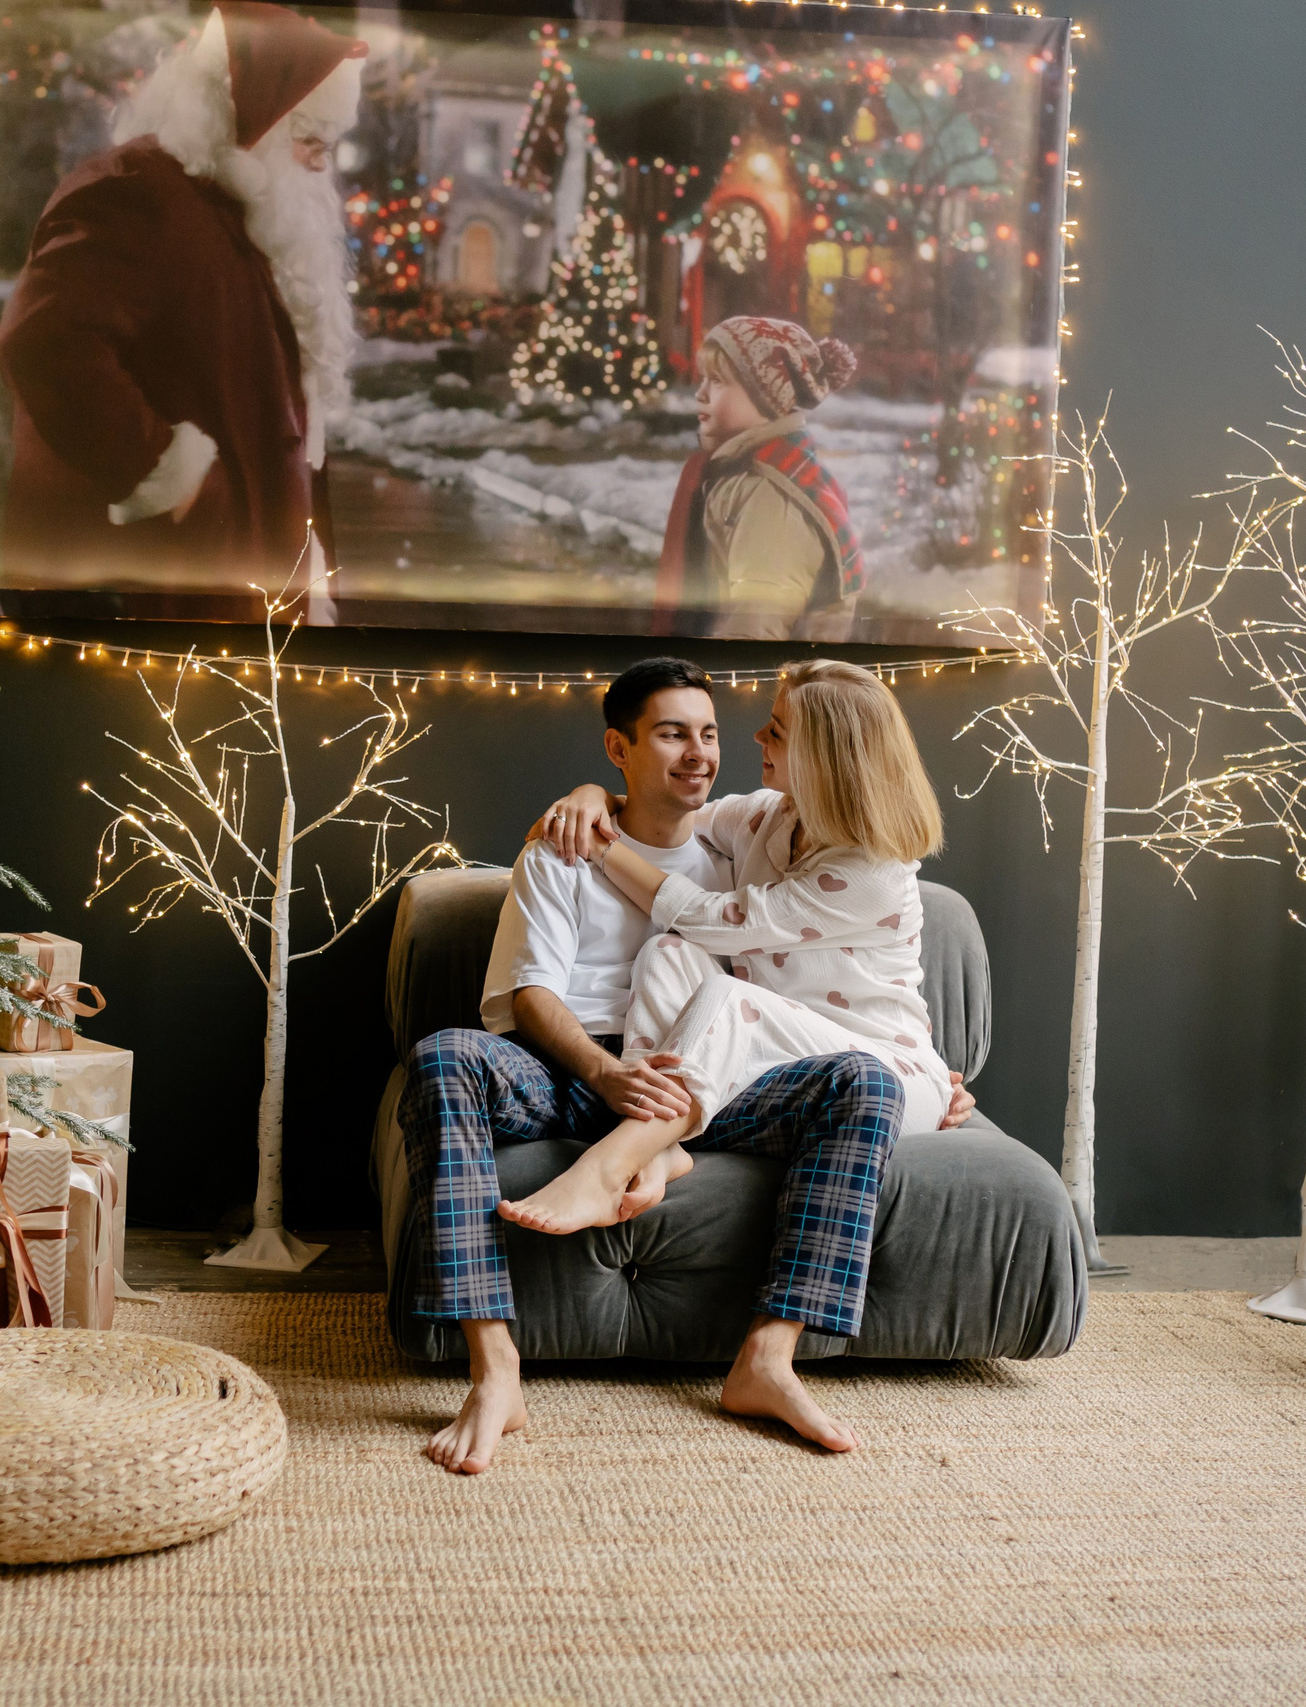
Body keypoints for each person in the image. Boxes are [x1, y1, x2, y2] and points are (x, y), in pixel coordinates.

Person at [404, 658, 974, 1475]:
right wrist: (591, 804)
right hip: (584, 1071)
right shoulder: (710, 830)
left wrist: (931, 1072)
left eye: (713, 733)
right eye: (673, 733)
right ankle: (495, 1372)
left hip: (708, 1081)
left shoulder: (746, 852)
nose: (706, 752)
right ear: (620, 747)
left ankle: (759, 1335)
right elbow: (524, 996)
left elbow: (725, 929)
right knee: (445, 1056)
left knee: (854, 1072)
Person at [500, 660, 954, 1241]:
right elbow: (660, 809)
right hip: (779, 1056)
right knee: (667, 952)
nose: (758, 738)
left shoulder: (872, 871)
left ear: (822, 757)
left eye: (778, 732)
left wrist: (603, 849)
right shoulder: (770, 815)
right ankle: (658, 1140)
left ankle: (607, 1165)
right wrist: (589, 797)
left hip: (882, 1072)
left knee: (727, 990)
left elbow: (708, 917)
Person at [0, 3, 363, 590]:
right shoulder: (138, 192)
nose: (323, 165)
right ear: (256, 123)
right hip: (158, 581)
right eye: (311, 141)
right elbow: (44, 340)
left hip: (231, 569)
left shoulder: (240, 209)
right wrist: (169, 474)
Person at [651, 317, 865, 643]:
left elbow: (752, 634)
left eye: (718, 380)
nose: (701, 394)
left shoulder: (772, 498)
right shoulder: (739, 473)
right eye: (703, 378)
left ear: (766, 396)